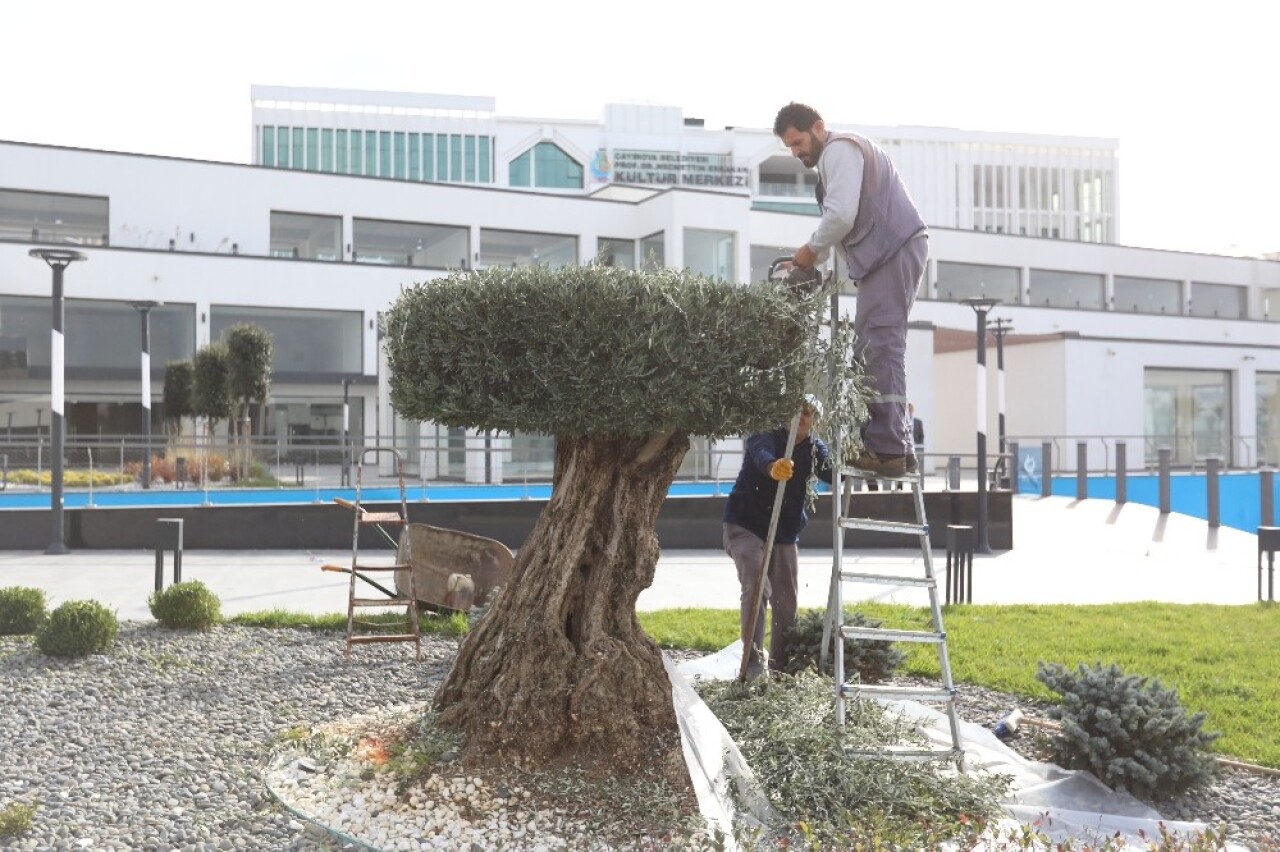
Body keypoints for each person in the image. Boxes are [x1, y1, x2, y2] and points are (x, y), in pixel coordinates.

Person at [773, 102, 928, 479]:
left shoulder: (840, 149)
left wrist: (809, 252)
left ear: (818, 127)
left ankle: (888, 449)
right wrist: (810, 258)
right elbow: (836, 226)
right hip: (886, 255)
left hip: (892, 250)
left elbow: (840, 216)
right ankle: (897, 446)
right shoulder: (833, 165)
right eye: (789, 148)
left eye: (797, 142)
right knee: (871, 345)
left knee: (879, 343)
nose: (796, 153)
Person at [722, 396, 833, 679]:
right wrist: (773, 467)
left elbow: (834, 471)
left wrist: (857, 457)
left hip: (784, 533)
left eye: (809, 414)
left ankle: (782, 669)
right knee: (758, 587)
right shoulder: (766, 434)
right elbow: (760, 453)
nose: (803, 418)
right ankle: (751, 668)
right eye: (798, 412)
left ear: (816, 421)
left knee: (787, 601)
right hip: (746, 526)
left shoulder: (814, 448)